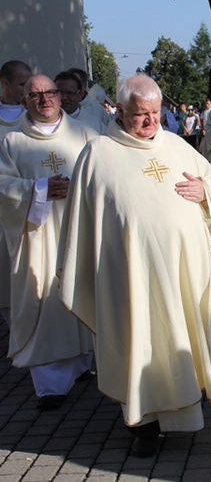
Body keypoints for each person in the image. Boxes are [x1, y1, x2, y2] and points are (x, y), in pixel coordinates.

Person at [57, 74, 211, 458]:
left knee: (179, 338)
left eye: (155, 112)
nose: (151, 122)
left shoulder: (178, 145)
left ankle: (184, 410)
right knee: (140, 343)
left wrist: (206, 192)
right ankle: (144, 427)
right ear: (119, 111)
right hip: (129, 276)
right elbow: (82, 221)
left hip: (181, 270)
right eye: (140, 115)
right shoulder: (98, 154)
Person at [0, 74, 97, 411]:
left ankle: (82, 363)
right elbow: (1, 186)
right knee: (42, 298)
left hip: (78, 229)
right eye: (35, 94)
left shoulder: (85, 134)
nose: (45, 99)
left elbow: (105, 173)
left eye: (50, 92)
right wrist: (38, 189)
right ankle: (50, 385)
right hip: (36, 237)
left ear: (60, 95)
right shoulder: (11, 142)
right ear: (24, 101)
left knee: (80, 290)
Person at [0, 60, 32, 327]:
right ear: (5, 84)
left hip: (33, 210)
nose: (26, 90)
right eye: (22, 84)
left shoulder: (35, 120)